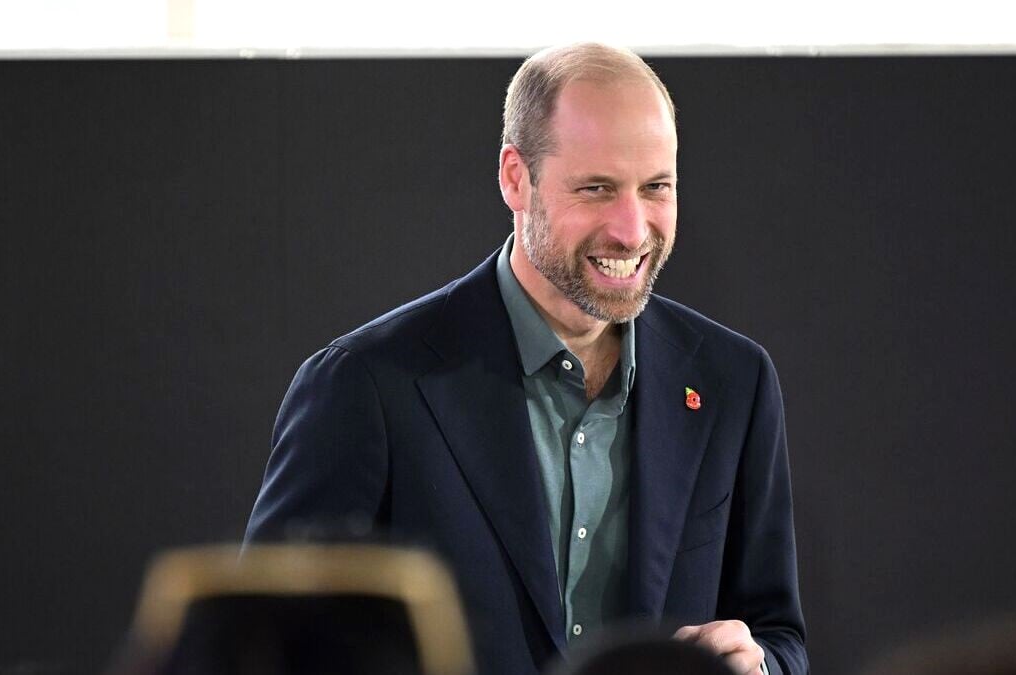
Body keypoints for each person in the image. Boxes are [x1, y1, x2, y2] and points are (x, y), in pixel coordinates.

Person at [244, 43, 808, 675]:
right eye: (597, 189)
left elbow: (779, 634)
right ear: (516, 178)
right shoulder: (367, 384)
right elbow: (262, 647)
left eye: (656, 187)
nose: (632, 228)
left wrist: (759, 664)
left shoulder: (733, 382)